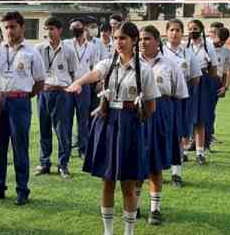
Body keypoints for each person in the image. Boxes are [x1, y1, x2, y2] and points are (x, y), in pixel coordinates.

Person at [66, 21, 159, 235]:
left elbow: (151, 107)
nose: (119, 42)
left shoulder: (144, 70)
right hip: (108, 123)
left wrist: (137, 113)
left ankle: (129, 231)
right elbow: (95, 74)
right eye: (116, 38)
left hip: (131, 124)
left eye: (123, 38)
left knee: (128, 183)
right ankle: (108, 231)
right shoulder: (108, 63)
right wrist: (79, 82)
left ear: (134, 41)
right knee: (107, 180)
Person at [0, 11, 45, 205]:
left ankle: (22, 189)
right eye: (6, 27)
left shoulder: (31, 52)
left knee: (20, 147)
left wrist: (25, 95)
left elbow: (39, 81)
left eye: (13, 27)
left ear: (22, 27)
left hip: (20, 102)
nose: (9, 31)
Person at [137, 25, 188, 225]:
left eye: (147, 38)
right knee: (137, 162)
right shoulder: (131, 63)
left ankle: (155, 210)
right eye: (140, 39)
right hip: (136, 116)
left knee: (155, 165)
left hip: (161, 115)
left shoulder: (170, 64)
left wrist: (176, 125)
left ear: (158, 41)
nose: (142, 42)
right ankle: (136, 205)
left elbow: (180, 95)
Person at [35, 17, 78, 179]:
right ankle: (44, 163)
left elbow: (73, 73)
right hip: (44, 92)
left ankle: (63, 164)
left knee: (62, 130)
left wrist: (69, 90)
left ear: (60, 30)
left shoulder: (68, 50)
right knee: (44, 128)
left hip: (61, 92)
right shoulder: (39, 48)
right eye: (46, 29)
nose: (49, 32)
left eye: (52, 28)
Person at [163, 19, 201, 181]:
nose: (175, 33)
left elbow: (195, 76)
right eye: (172, 30)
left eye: (178, 30)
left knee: (178, 134)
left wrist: (182, 89)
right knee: (160, 134)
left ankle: (176, 172)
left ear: (182, 33)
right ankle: (154, 171)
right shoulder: (160, 51)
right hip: (161, 99)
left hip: (180, 99)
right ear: (166, 32)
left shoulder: (188, 52)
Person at [65, 18, 99, 159]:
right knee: (66, 119)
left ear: (83, 28)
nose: (75, 29)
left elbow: (93, 67)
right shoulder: (65, 44)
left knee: (83, 119)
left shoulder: (91, 47)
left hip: (84, 86)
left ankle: (83, 149)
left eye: (78, 26)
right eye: (72, 27)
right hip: (68, 86)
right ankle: (66, 148)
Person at [186, 20, 218, 165]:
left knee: (200, 118)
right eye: (190, 28)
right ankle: (183, 151)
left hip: (203, 83)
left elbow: (214, 69)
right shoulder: (184, 47)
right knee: (186, 118)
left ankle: (200, 153)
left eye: (196, 28)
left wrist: (209, 85)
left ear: (201, 30)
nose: (193, 31)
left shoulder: (208, 46)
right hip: (187, 83)